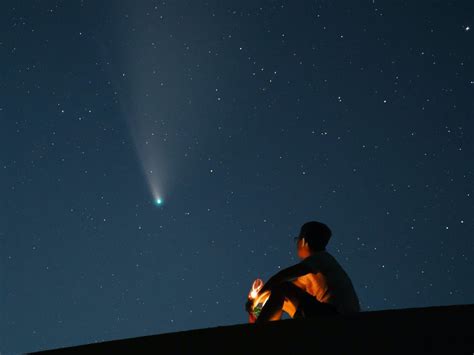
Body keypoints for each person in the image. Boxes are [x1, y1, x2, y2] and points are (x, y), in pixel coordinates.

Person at [247, 221, 360, 323]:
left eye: (297, 239)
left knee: (282, 288)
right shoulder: (315, 269)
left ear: (304, 241)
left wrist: (256, 300)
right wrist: (256, 306)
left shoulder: (321, 259)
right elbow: (278, 295)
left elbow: (281, 277)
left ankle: (259, 330)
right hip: (327, 312)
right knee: (281, 295)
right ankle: (261, 322)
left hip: (336, 315)